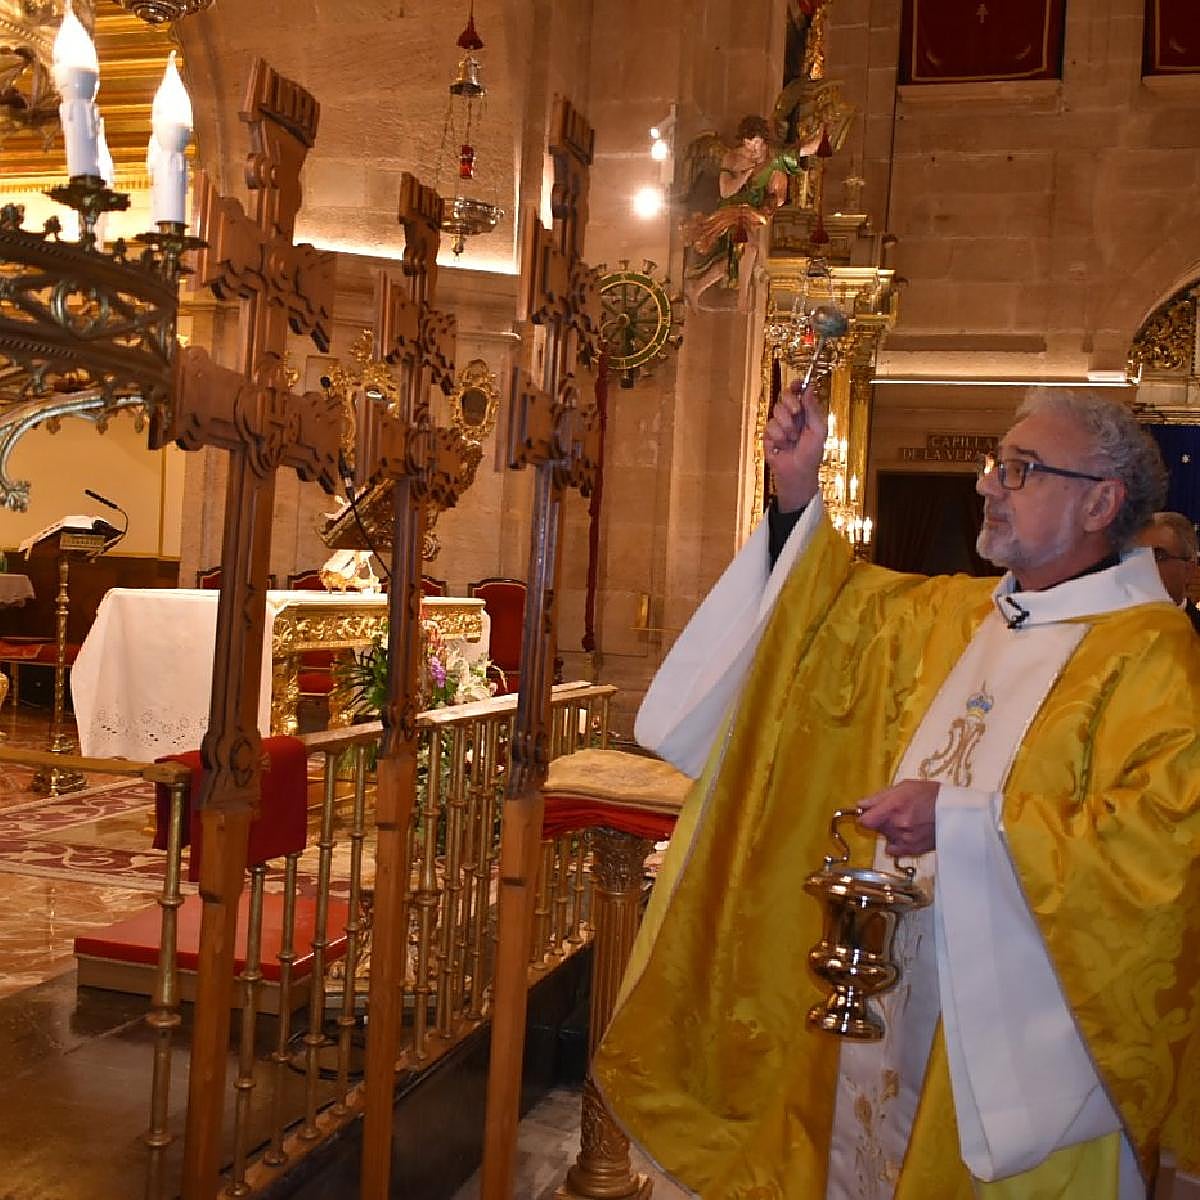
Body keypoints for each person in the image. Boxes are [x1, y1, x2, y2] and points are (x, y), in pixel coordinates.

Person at [593, 385, 1200, 1199]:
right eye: (995, 464)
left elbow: (1165, 847)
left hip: (1015, 1054)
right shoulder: (956, 615)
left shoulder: (1152, 655)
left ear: (1101, 502)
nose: (987, 484)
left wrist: (959, 822)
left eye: (1020, 469)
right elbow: (824, 616)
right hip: (890, 1000)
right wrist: (797, 492)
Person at [682, 115, 819, 312]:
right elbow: (725, 191)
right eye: (748, 144)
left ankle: (697, 288)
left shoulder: (774, 159)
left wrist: (824, 128)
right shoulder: (733, 157)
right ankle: (742, 298)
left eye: (756, 144)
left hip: (750, 214)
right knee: (751, 248)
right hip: (730, 212)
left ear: (763, 141)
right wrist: (744, 176)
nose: (752, 149)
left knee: (734, 260)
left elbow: (806, 149)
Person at [1137, 510, 1200, 633]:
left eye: (1159, 557)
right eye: (1137, 557)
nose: (1143, 565)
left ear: (1189, 571)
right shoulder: (1102, 630)